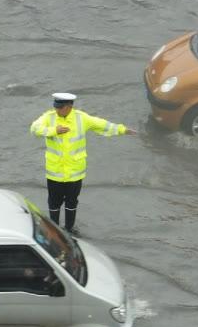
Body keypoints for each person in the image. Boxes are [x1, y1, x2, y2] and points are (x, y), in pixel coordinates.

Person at [29, 92, 136, 234]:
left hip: (75, 173)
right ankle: (54, 230)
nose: (57, 110)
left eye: (60, 108)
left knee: (72, 202)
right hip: (55, 173)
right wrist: (53, 130)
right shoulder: (49, 118)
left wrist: (123, 130)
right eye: (56, 107)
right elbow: (34, 129)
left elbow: (103, 125)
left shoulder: (82, 118)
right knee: (54, 203)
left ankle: (69, 229)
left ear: (69, 107)